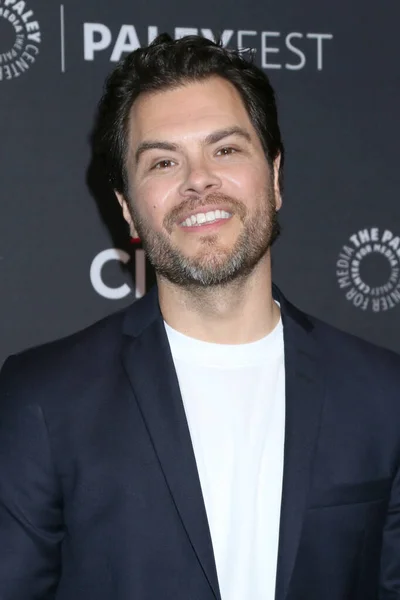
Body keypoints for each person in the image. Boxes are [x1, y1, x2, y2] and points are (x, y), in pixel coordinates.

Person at [0, 33, 399, 600]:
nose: (198, 180)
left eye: (226, 149)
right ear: (127, 207)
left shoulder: (383, 396)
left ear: (276, 177)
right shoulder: (42, 399)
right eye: (164, 161)